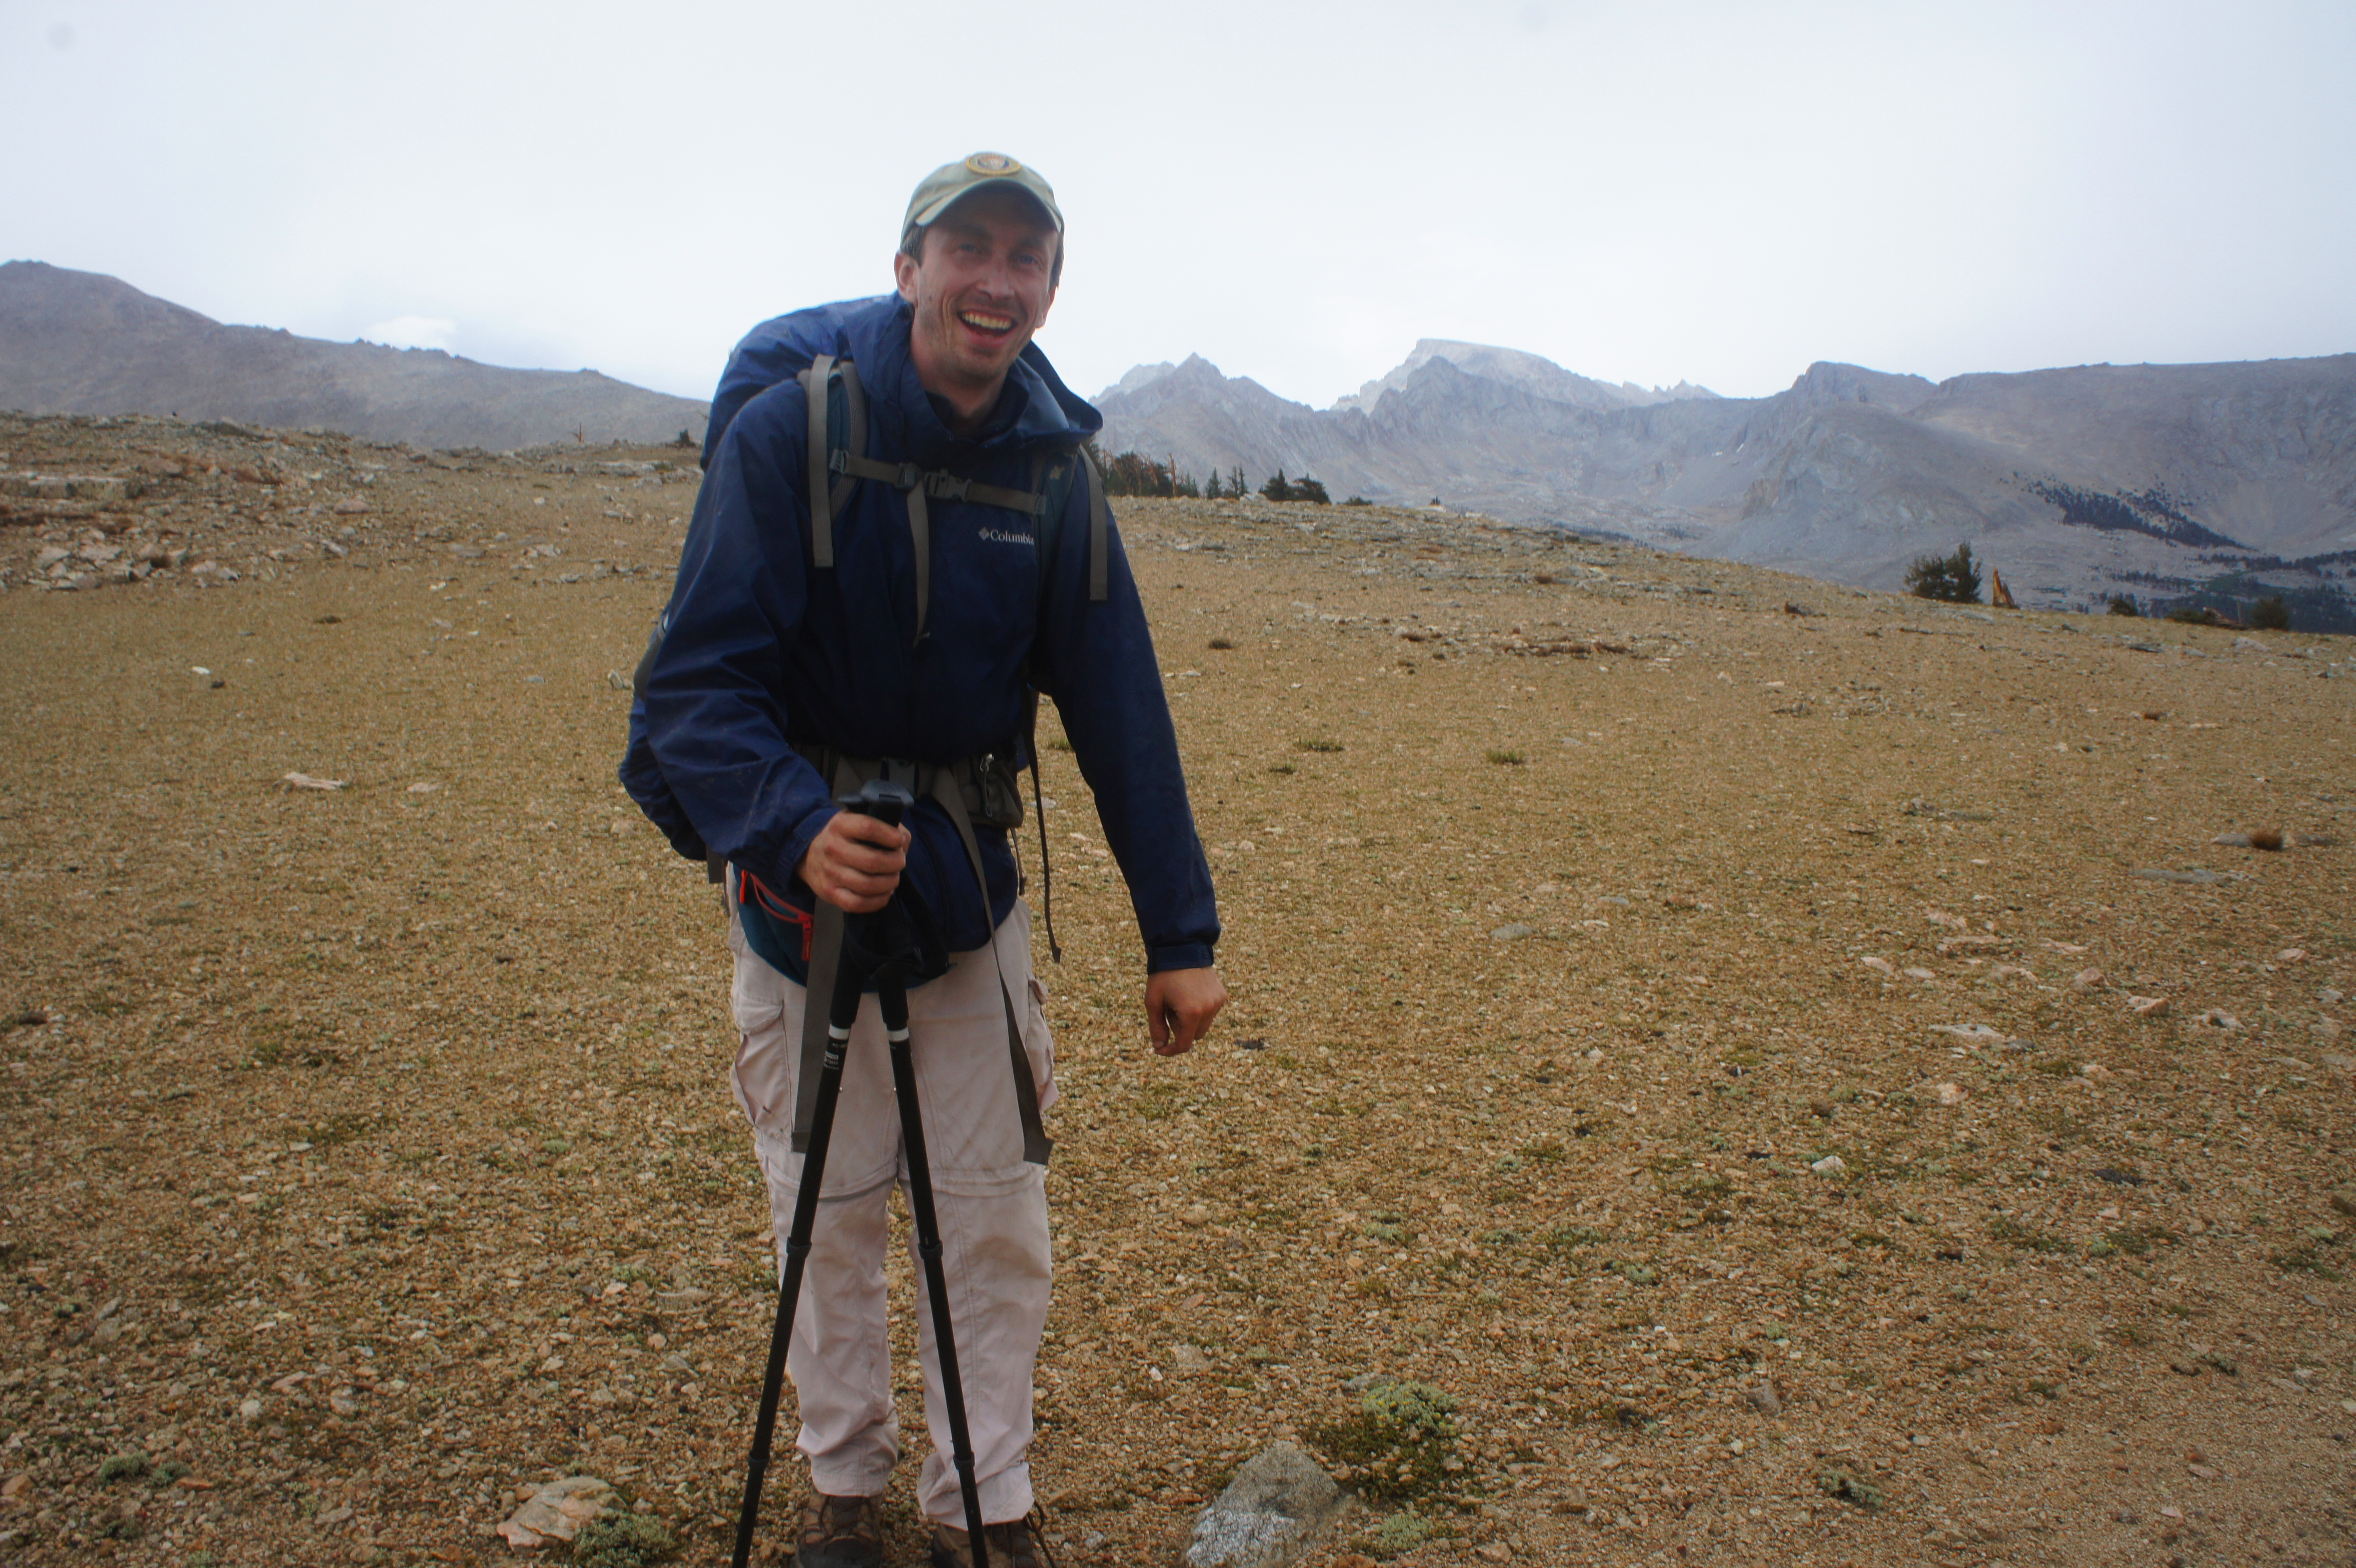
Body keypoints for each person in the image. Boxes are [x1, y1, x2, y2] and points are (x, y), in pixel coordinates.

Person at [626, 152, 1226, 1568]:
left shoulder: (1053, 474)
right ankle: (845, 1491)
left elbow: (1121, 707)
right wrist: (795, 829)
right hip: (802, 905)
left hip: (968, 897)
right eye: (970, 249)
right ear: (910, 270)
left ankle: (984, 1507)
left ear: (1050, 291)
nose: (996, 281)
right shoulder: (789, 438)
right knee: (824, 1211)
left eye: (1027, 257)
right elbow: (691, 687)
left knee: (993, 1211)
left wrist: (1181, 935)